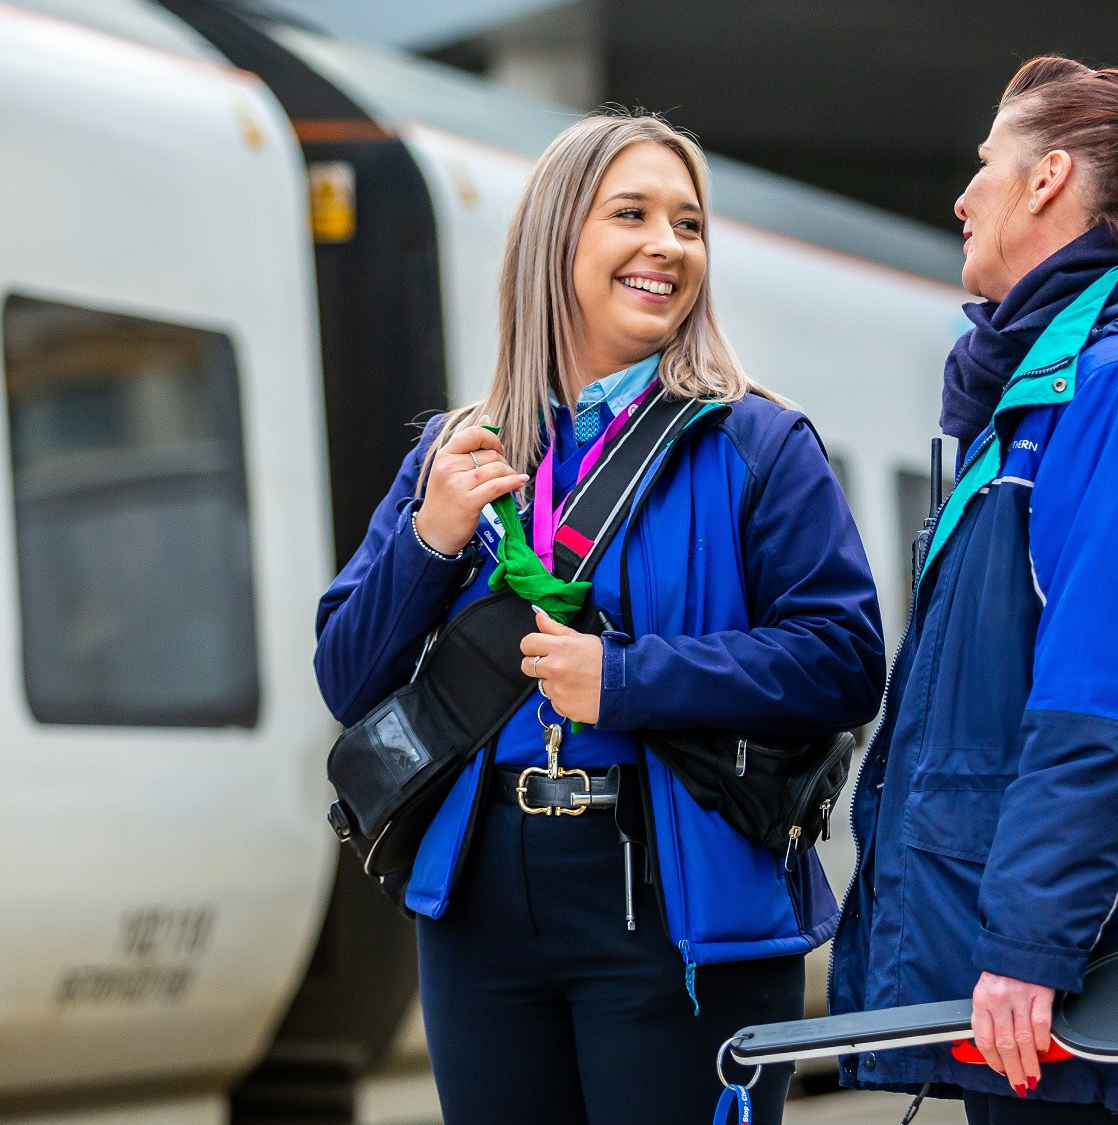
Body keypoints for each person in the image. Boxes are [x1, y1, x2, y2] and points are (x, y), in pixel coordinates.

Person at [313, 113, 884, 1125]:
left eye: (688, 224)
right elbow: (346, 678)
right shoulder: (457, 452)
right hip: (480, 905)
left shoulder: (759, 443)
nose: (668, 245)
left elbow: (843, 661)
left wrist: (623, 681)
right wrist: (429, 540)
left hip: (678, 906)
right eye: (632, 214)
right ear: (555, 238)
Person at [829, 58, 1118, 1125]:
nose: (963, 196)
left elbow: (1107, 707)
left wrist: (1030, 948)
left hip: (1089, 996)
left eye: (985, 165)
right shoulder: (1051, 396)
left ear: (1048, 179)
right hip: (1054, 995)